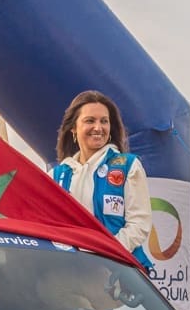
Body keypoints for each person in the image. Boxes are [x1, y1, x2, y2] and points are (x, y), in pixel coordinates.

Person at [51, 91, 153, 267]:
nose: (98, 128)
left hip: (116, 267)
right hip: (69, 268)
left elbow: (139, 224)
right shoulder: (57, 175)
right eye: (90, 121)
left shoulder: (128, 165)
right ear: (73, 128)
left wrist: (105, 253)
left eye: (104, 121)